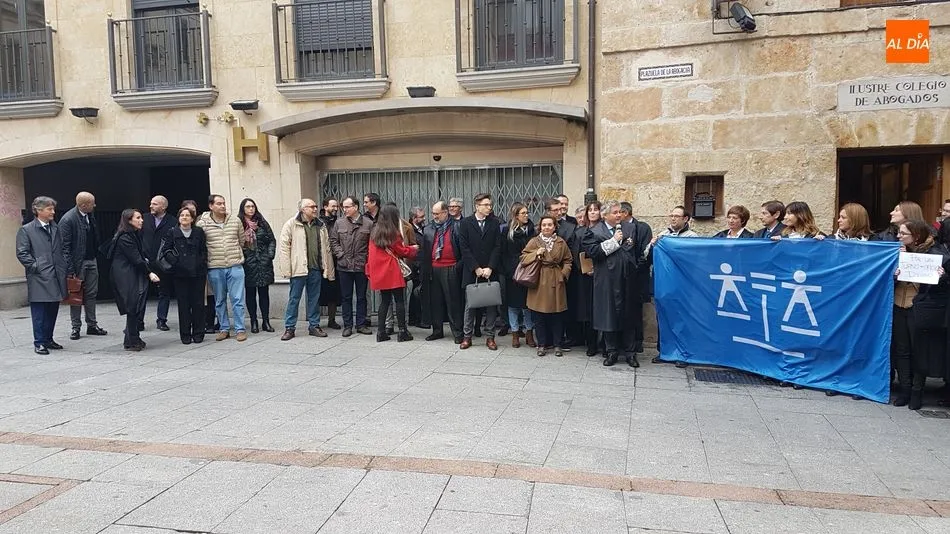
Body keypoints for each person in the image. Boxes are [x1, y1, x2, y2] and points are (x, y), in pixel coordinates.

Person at [583, 200, 644, 367]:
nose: (619, 215)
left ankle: (630, 353)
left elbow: (636, 251)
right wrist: (614, 241)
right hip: (606, 280)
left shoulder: (630, 228)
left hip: (627, 279)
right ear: (605, 215)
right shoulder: (594, 232)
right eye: (615, 212)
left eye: (620, 212)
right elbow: (593, 252)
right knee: (608, 316)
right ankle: (611, 352)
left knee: (629, 315)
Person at [898, 219, 950, 410]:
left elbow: (943, 285)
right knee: (902, 350)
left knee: (919, 350)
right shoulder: (898, 251)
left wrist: (942, 277)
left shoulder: (936, 253)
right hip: (899, 304)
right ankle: (904, 389)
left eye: (903, 234)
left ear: (916, 236)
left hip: (920, 307)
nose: (899, 236)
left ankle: (916, 391)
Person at [645, 205, 700, 365]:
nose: (673, 218)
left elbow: (694, 261)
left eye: (677, 216)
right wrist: (652, 245)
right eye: (671, 215)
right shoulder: (663, 235)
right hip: (664, 285)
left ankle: (683, 354)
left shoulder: (692, 237)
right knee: (663, 318)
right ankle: (664, 352)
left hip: (683, 287)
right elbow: (647, 257)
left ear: (685, 219)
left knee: (683, 320)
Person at [16, 196, 68, 355]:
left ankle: (48, 338)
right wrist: (35, 266)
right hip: (39, 276)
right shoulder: (27, 230)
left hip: (56, 274)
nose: (53, 212)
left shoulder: (56, 227)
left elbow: (63, 248)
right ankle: (39, 342)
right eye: (49, 209)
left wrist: (63, 264)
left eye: (53, 208)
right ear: (39, 210)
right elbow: (22, 253)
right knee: (39, 312)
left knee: (53, 309)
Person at [278, 198, 336, 340]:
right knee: (294, 299)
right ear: (303, 209)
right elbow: (284, 247)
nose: (315, 209)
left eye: (316, 206)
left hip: (315, 268)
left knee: (314, 299)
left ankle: (314, 325)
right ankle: (289, 328)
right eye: (312, 207)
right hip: (298, 268)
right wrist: (287, 270)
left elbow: (327, 248)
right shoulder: (292, 224)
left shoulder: (320, 225)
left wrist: (328, 269)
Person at [105, 209, 161, 351]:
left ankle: (131, 338)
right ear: (129, 221)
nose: (141, 220)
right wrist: (149, 273)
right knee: (132, 306)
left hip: (130, 273)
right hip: (125, 275)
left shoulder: (132, 235)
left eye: (141, 217)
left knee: (135, 307)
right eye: (138, 218)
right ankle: (132, 339)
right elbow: (136, 259)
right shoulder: (125, 238)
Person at [196, 194, 248, 342]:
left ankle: (240, 329)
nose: (223, 206)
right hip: (215, 266)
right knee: (219, 300)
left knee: (237, 299)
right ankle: (224, 328)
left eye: (224, 203)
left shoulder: (235, 220)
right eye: (219, 204)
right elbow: (201, 245)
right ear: (211, 206)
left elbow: (241, 240)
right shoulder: (203, 224)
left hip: (235, 265)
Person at [520, 215, 573, 357]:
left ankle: (557, 344)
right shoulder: (534, 241)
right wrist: (536, 253)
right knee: (539, 316)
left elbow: (568, 260)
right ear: (540, 227)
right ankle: (541, 344)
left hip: (556, 280)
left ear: (555, 227)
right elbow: (523, 258)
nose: (547, 227)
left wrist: (563, 273)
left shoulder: (561, 242)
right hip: (539, 280)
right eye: (544, 225)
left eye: (550, 225)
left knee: (557, 315)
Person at [366, 205, 419, 342]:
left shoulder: (374, 232)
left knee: (384, 301)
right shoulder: (393, 233)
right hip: (392, 270)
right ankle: (402, 331)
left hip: (380, 272)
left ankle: (381, 332)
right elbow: (402, 251)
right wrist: (413, 249)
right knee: (399, 300)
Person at [459, 193, 503, 350]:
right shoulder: (465, 223)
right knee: (470, 305)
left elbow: (498, 246)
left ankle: (490, 337)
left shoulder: (494, 223)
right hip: (472, 270)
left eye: (490, 205)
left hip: (490, 270)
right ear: (477, 206)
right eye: (486, 205)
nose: (489, 208)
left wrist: (490, 267)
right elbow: (464, 248)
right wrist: (476, 267)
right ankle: (467, 336)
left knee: (491, 304)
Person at [60, 191, 107, 340]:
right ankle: (76, 327)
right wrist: (70, 269)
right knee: (76, 295)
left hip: (91, 259)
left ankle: (92, 325)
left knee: (91, 293)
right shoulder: (68, 219)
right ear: (84, 205)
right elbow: (64, 247)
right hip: (77, 262)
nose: (95, 205)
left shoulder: (89, 215)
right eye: (92, 203)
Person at [158, 207, 208, 344]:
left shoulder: (199, 232)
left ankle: (198, 332)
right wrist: (176, 262)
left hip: (198, 273)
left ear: (192, 219)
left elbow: (204, 250)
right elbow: (166, 250)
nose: (185, 217)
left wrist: (200, 262)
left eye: (187, 215)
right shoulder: (172, 232)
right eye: (182, 215)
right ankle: (185, 334)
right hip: (180, 274)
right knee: (184, 304)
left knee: (198, 304)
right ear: (179, 218)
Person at [419, 201, 465, 344]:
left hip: (450, 267)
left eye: (437, 213)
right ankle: (437, 330)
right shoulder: (428, 228)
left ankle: (457, 332)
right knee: (435, 301)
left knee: (453, 302)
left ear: (446, 213)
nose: (434, 216)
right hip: (433, 268)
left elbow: (463, 249)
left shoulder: (456, 227)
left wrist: (458, 266)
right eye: (433, 213)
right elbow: (424, 251)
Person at [330, 196, 374, 337]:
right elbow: (333, 241)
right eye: (343, 207)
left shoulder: (368, 223)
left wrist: (367, 259)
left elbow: (371, 245)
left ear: (356, 207)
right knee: (346, 297)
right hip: (344, 266)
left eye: (347, 207)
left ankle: (361, 324)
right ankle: (347, 325)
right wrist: (340, 254)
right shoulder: (339, 223)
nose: (344, 210)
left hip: (361, 266)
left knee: (362, 297)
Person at [501, 202, 536, 348]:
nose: (527, 215)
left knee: (527, 304)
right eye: (523, 213)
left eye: (527, 213)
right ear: (516, 216)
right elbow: (503, 253)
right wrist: (510, 270)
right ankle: (515, 332)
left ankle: (529, 332)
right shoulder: (507, 231)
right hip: (513, 273)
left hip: (528, 272)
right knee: (513, 304)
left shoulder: (531, 230)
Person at [239, 198, 276, 334]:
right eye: (248, 207)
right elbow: (237, 242)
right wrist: (244, 258)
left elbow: (271, 240)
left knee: (264, 293)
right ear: (243, 209)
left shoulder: (262, 223)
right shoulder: (239, 223)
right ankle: (253, 321)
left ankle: (266, 321)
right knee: (250, 294)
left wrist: (269, 255)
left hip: (263, 263)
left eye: (253, 206)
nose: (251, 209)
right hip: (248, 264)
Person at [384, 202, 419, 335]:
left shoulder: (406, 226)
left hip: (402, 266)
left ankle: (402, 325)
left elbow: (412, 244)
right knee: (386, 299)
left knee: (401, 298)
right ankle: (389, 324)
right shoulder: (382, 227)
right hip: (388, 267)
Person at [142, 195, 175, 331]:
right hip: (145, 260)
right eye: (151, 203)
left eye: (155, 204)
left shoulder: (172, 221)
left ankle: (161, 320)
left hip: (162, 262)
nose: (151, 206)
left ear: (163, 206)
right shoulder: (144, 218)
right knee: (141, 292)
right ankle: (139, 320)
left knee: (164, 292)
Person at [319, 197, 342, 329]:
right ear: (325, 207)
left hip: (336, 261)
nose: (335, 209)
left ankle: (332, 319)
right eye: (332, 206)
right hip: (321, 262)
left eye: (336, 207)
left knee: (334, 292)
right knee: (318, 291)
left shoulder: (339, 222)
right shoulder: (319, 222)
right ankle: (315, 321)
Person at [408, 206, 428, 328]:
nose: (424, 218)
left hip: (423, 264)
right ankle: (415, 318)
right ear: (414, 218)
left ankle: (418, 317)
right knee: (416, 292)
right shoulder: (410, 230)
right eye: (421, 217)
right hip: (415, 265)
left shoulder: (423, 229)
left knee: (420, 292)